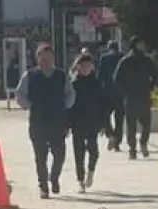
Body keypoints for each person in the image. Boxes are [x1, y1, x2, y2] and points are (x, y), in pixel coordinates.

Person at [14, 43, 74, 198]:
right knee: (40, 156)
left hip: (58, 121)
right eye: (43, 58)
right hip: (38, 121)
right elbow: (20, 94)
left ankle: (54, 178)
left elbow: (70, 94)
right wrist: (29, 105)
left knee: (59, 154)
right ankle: (43, 186)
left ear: (53, 58)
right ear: (37, 59)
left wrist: (65, 106)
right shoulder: (30, 75)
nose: (46, 61)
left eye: (49, 58)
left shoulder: (61, 75)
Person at [113, 37, 158, 159]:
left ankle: (142, 143)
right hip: (133, 96)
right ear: (134, 45)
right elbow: (117, 78)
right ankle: (133, 148)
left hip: (141, 95)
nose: (142, 46)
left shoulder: (147, 60)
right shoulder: (126, 61)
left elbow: (155, 75)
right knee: (132, 124)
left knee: (144, 124)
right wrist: (125, 91)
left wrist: (151, 86)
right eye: (140, 44)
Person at [69, 51, 106, 193]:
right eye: (83, 66)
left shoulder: (96, 84)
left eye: (88, 66)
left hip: (92, 122)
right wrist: (67, 123)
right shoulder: (74, 84)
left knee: (94, 152)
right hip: (78, 123)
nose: (86, 68)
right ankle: (80, 180)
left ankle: (90, 172)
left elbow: (102, 104)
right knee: (79, 153)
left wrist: (103, 123)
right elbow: (68, 105)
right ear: (78, 67)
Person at [96, 40, 123, 150]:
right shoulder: (122, 56)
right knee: (119, 118)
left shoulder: (104, 58)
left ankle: (110, 134)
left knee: (106, 116)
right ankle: (117, 141)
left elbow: (100, 75)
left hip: (107, 92)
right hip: (120, 92)